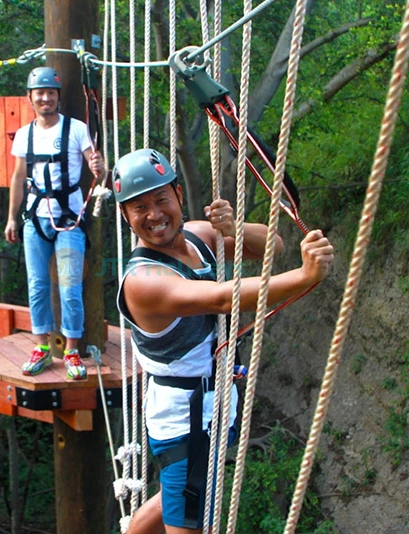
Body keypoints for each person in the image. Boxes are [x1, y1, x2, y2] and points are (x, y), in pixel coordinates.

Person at [113, 148, 334, 533]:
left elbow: (272, 246)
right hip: (184, 418)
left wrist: (234, 229)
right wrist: (304, 278)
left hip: (212, 402)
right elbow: (220, 296)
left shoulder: (197, 235)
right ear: (125, 216)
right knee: (189, 513)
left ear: (178, 194)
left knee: (178, 493)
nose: (154, 215)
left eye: (161, 199)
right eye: (139, 208)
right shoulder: (143, 281)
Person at [4, 66, 105, 380]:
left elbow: (95, 165)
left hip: (69, 219)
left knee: (70, 286)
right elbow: (19, 177)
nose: (45, 98)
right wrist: (11, 218)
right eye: (40, 94)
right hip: (36, 218)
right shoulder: (25, 134)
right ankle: (42, 347)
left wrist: (98, 166)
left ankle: (72, 350)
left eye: (51, 93)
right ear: (30, 98)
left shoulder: (75, 129)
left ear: (58, 97)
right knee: (37, 285)